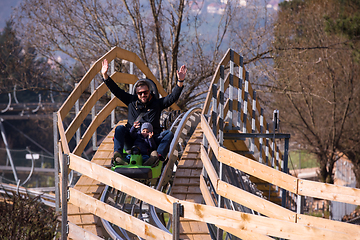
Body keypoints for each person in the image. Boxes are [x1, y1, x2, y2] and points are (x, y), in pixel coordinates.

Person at [101, 58, 187, 165]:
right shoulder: (131, 101)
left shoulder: (157, 104)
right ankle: (117, 155)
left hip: (150, 139)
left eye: (145, 92)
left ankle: (157, 157)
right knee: (119, 128)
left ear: (150, 92)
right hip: (133, 138)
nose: (143, 95)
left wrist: (180, 82)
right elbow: (116, 90)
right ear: (136, 94)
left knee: (168, 134)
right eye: (140, 93)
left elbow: (172, 97)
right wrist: (105, 76)